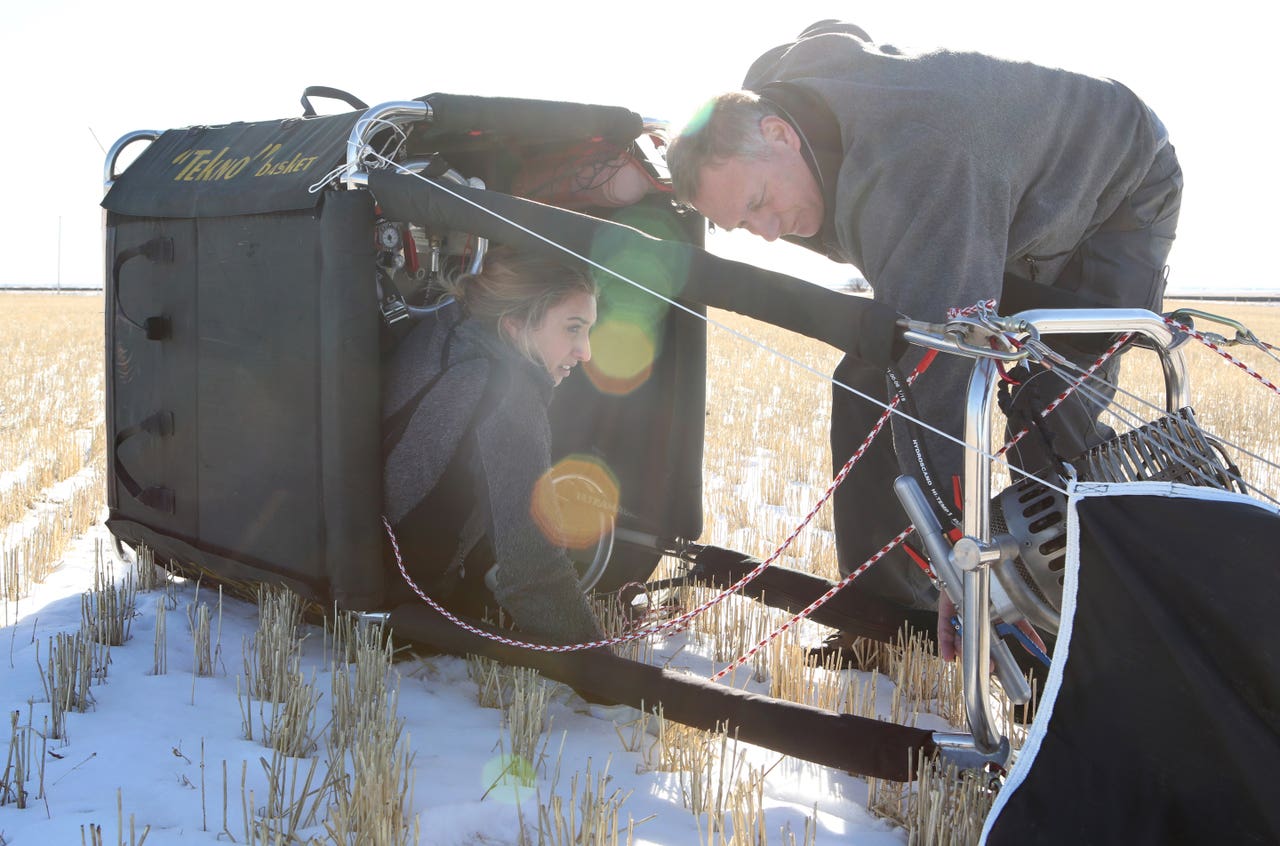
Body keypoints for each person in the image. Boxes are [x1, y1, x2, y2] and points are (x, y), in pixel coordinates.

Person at [666, 20, 1182, 660]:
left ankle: (1084, 631)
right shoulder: (776, 102)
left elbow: (937, 384)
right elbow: (832, 34)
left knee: (1047, 412)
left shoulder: (912, 167)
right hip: (994, 202)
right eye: (743, 222)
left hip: (1114, 189)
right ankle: (880, 618)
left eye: (762, 201)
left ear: (779, 132)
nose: (769, 231)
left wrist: (957, 554)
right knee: (863, 384)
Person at [381, 246, 605, 645]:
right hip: (407, 607)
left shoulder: (452, 325)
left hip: (374, 557)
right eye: (572, 328)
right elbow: (532, 572)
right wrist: (602, 670)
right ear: (515, 324)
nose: (585, 351)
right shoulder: (508, 394)